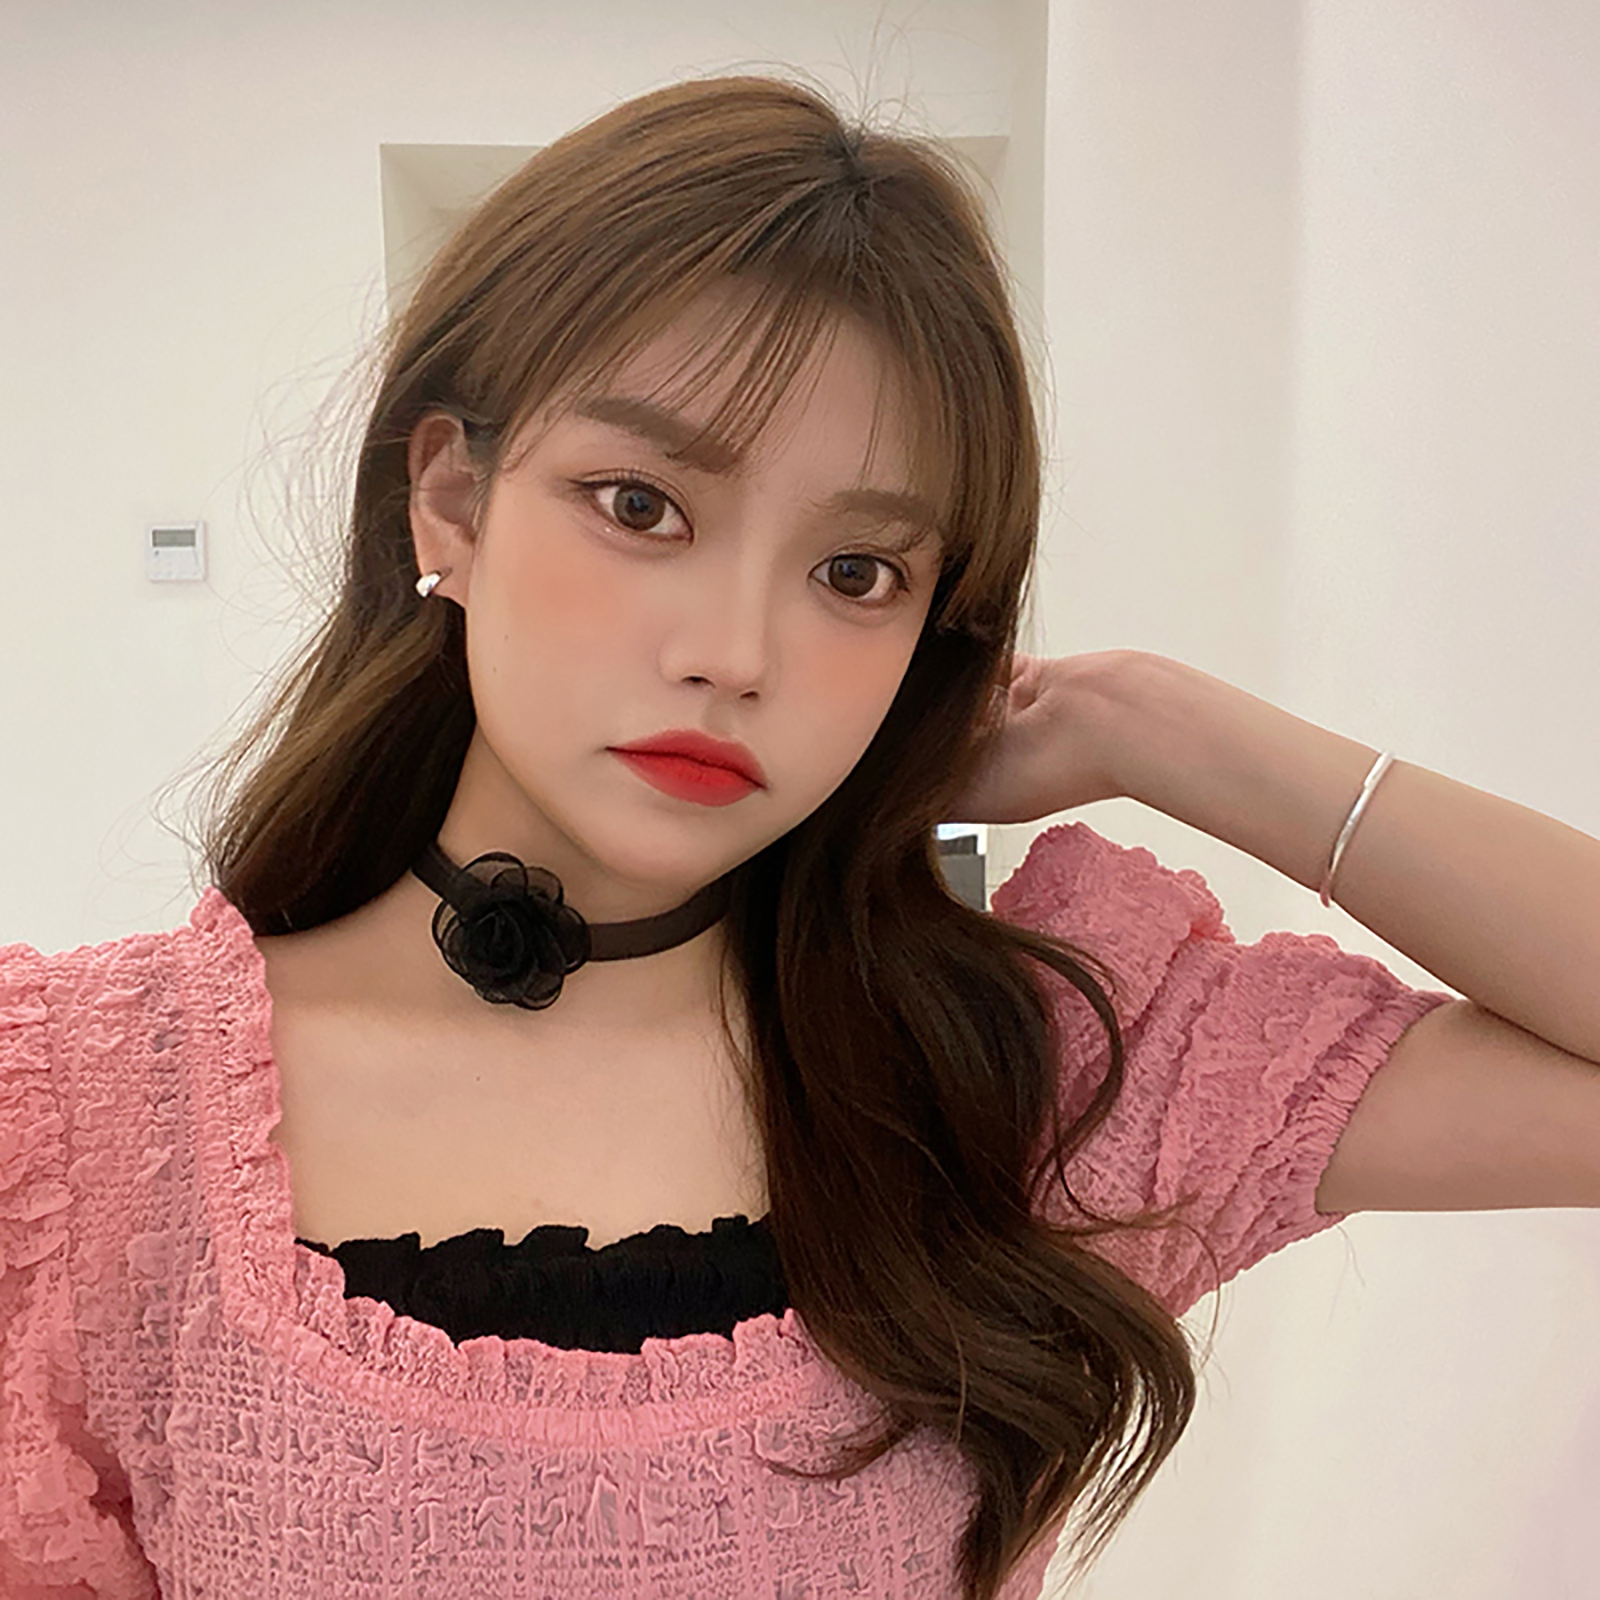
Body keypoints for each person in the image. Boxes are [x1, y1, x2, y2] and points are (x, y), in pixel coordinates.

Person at [3, 71, 1597, 1600]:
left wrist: (1154, 727)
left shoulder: (1029, 1074)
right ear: (452, 505)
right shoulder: (84, 1121)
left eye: (857, 574)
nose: (737, 652)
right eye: (641, 505)